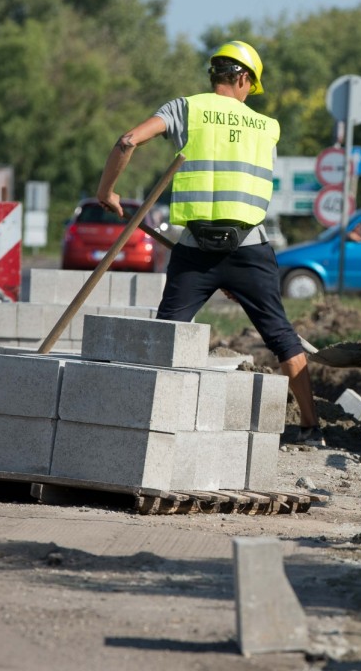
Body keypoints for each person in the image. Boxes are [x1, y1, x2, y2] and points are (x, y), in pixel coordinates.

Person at [96, 39, 325, 446]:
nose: (246, 93)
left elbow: (128, 140)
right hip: (250, 249)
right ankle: (311, 428)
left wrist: (107, 192)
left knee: (168, 335)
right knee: (282, 338)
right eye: (249, 87)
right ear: (242, 78)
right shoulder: (268, 127)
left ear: (216, 74)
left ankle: (153, 424)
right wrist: (235, 278)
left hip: (196, 250)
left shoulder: (186, 108)